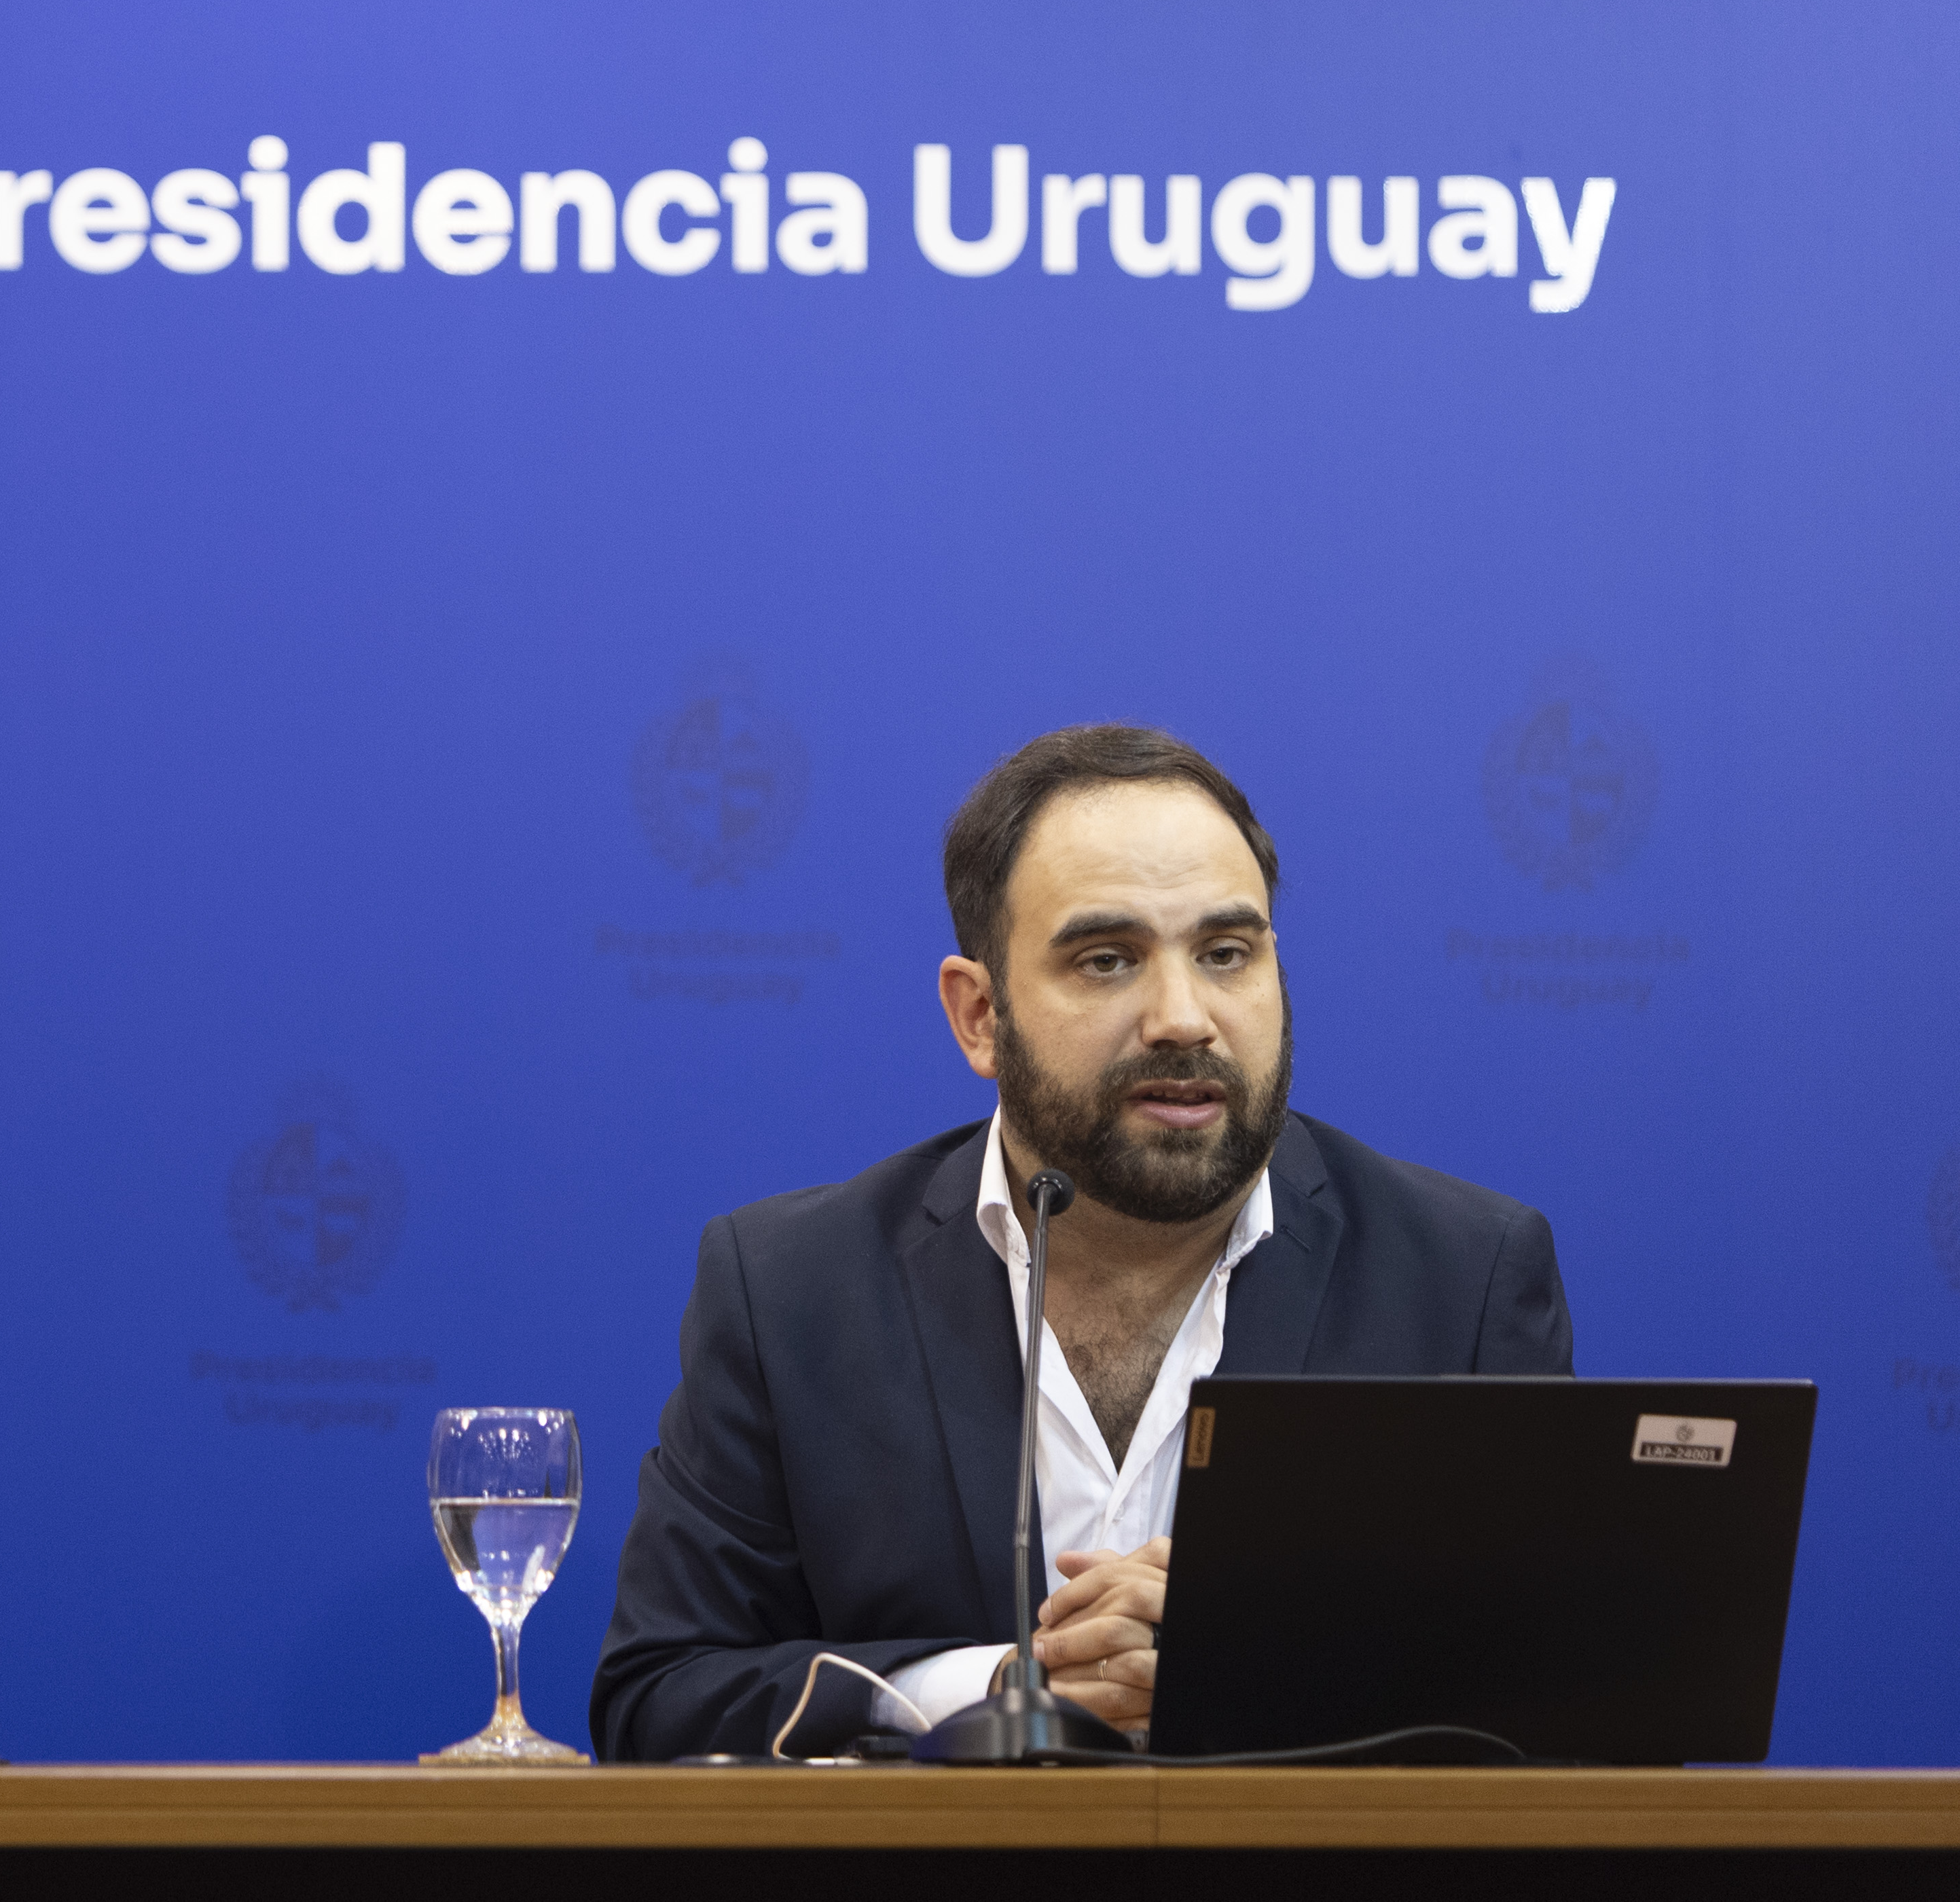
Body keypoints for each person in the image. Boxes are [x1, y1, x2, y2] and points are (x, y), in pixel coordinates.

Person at [589, 725, 1570, 1761]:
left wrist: (1265, 1663)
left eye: (1226, 954)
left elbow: (1570, 1707)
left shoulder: (1460, 1278)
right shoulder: (794, 1290)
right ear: (980, 1015)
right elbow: (661, 1697)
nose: (1183, 1018)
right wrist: (1004, 1687)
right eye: (1107, 961)